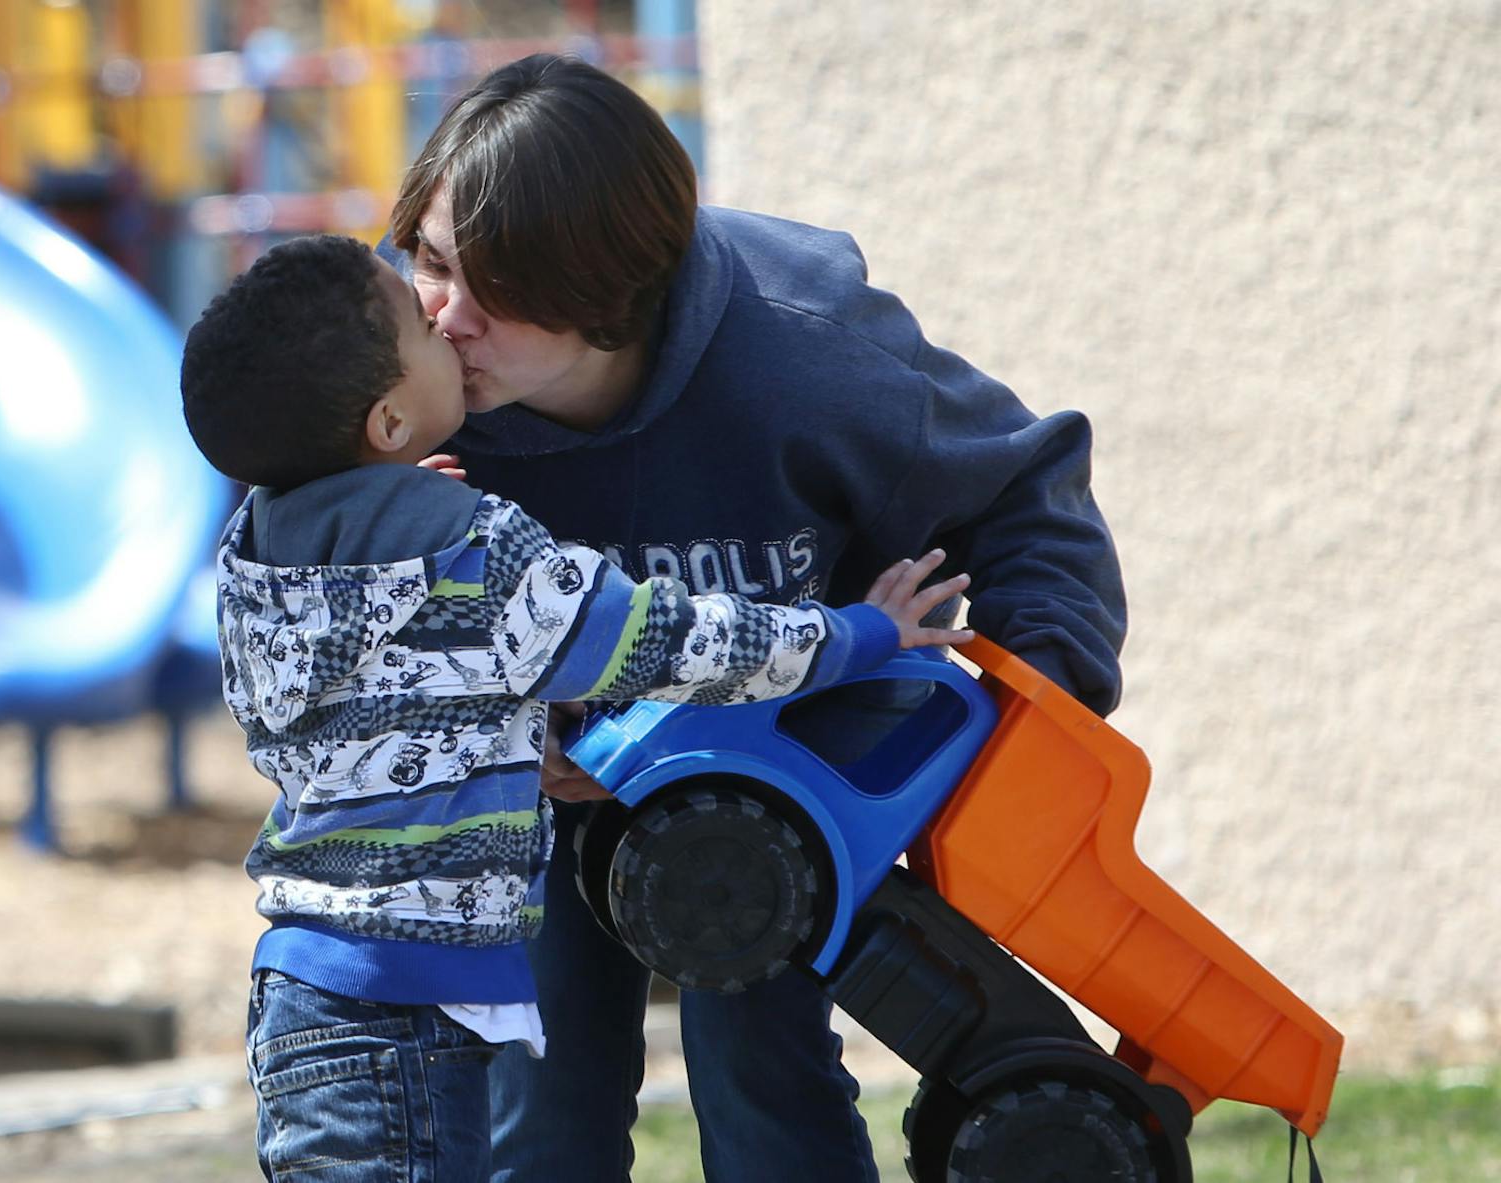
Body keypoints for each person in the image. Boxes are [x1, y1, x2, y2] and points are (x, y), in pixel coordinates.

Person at [377, 54, 1128, 1182]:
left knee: (759, 1076)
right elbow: (297, 622)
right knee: (535, 1104)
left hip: (772, 780)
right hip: (518, 802)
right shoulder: (392, 381)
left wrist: (1021, 739)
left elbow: (1026, 490)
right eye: (431, 261)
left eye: (503, 289)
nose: (450, 318)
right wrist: (490, 728)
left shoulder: (805, 357)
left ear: (611, 294)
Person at [180, 232, 975, 1182]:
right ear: (390, 424)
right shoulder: (474, 552)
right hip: (408, 1015)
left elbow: (356, 705)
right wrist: (858, 634)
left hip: (300, 1000)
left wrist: (390, 503)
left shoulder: (255, 561)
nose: (443, 317)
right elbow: (668, 640)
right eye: (420, 324)